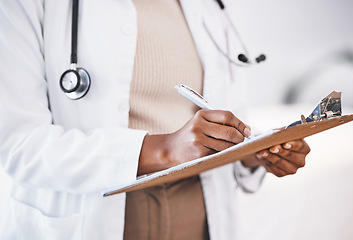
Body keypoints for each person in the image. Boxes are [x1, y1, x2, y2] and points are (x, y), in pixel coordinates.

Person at [0, 0, 310, 239]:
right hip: (97, 216)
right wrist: (164, 149)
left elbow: (228, 115)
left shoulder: (206, 6)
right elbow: (19, 144)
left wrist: (255, 153)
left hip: (200, 213)